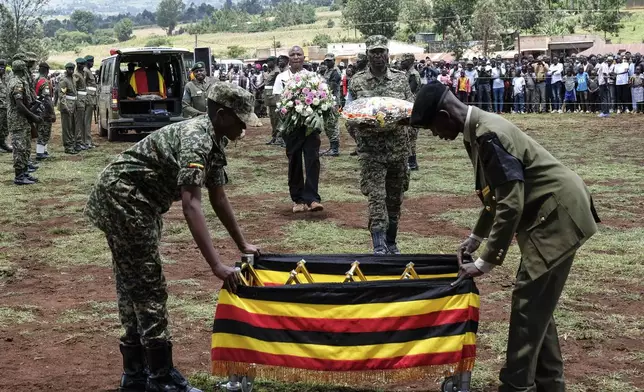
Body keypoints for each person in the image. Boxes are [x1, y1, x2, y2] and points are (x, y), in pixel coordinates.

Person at [410, 82, 600, 392]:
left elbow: (512, 203)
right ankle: (550, 383)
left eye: (432, 128)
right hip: (550, 212)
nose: (435, 135)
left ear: (445, 115)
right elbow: (496, 194)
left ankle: (515, 385)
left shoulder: (488, 135)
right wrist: (476, 236)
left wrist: (485, 262)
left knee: (528, 305)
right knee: (537, 304)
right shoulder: (478, 130)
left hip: (558, 216)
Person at [85, 83, 258, 392]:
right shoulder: (196, 139)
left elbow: (218, 198)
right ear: (221, 115)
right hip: (124, 199)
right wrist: (216, 265)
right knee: (148, 287)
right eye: (240, 119)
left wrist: (242, 243)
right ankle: (161, 378)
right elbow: (192, 204)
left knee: (132, 283)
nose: (245, 126)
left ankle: (135, 375)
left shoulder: (215, 138)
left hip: (137, 201)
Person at [348, 35, 413, 255]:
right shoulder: (357, 81)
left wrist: (406, 129)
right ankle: (379, 247)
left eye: (381, 51)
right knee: (376, 199)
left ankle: (392, 243)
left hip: (398, 149)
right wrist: (360, 134)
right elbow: (349, 115)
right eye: (373, 52)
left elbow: (412, 111)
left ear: (388, 53)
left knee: (395, 199)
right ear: (367, 54)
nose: (378, 56)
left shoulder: (401, 79)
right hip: (371, 152)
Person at [273, 46, 324, 213]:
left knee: (312, 160)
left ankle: (312, 199)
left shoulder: (312, 77)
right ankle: (298, 199)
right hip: (291, 127)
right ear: (289, 58)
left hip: (310, 127)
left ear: (304, 57)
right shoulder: (281, 77)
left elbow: (321, 98)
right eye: (292, 55)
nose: (296, 57)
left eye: (299, 54)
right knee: (294, 161)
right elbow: (277, 100)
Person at [7, 60, 43, 185]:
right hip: (18, 121)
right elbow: (20, 106)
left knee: (26, 147)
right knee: (20, 149)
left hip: (23, 121)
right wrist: (33, 116)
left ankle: (25, 173)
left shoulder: (17, 81)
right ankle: (19, 177)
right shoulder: (17, 83)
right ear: (23, 70)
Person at [400, 53, 421, 171]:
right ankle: (411, 162)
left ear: (409, 61)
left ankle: (412, 163)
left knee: (411, 137)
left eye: (403, 61)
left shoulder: (413, 74)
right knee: (408, 136)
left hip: (412, 109)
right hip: (409, 108)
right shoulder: (407, 74)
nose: (401, 63)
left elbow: (409, 91)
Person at [320, 53, 341, 157]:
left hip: (333, 101)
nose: (327, 62)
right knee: (328, 125)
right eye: (326, 61)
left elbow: (331, 88)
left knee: (332, 124)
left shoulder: (335, 72)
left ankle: (335, 149)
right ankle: (332, 147)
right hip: (327, 101)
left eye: (329, 60)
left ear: (334, 60)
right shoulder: (327, 71)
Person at [35, 62, 56, 160]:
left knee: (41, 130)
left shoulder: (35, 79)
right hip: (44, 110)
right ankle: (40, 153)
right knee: (44, 131)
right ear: (47, 71)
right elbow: (47, 99)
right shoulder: (44, 82)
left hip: (36, 108)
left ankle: (43, 150)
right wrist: (52, 113)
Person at [58, 63, 78, 155]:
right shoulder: (64, 80)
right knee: (67, 127)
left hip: (73, 105)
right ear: (66, 69)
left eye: (72, 68)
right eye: (69, 68)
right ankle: (68, 146)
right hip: (66, 106)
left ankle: (72, 144)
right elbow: (62, 95)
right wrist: (65, 107)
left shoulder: (73, 79)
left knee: (73, 126)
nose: (71, 70)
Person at [262, 56, 282, 146]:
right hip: (269, 98)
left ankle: (279, 138)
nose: (267, 63)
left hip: (274, 98)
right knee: (272, 119)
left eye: (269, 61)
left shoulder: (277, 72)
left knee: (276, 119)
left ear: (273, 62)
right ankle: (274, 137)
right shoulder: (272, 71)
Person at [83, 55, 98, 149]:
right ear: (87, 62)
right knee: (86, 121)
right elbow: (82, 85)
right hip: (88, 98)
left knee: (88, 121)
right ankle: (86, 141)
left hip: (91, 98)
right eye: (91, 61)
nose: (92, 63)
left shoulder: (88, 71)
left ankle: (89, 140)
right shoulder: (85, 71)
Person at [73, 57, 88, 151]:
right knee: (78, 122)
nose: (83, 66)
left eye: (83, 65)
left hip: (83, 100)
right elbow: (74, 89)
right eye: (81, 65)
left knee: (82, 122)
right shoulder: (76, 75)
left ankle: (81, 141)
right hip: (79, 101)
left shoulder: (82, 74)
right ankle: (78, 142)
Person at [0, 58, 12, 153]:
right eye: (0, 66)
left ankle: (2, 143)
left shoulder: (6, 77)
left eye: (3, 67)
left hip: (5, 106)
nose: (1, 69)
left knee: (4, 126)